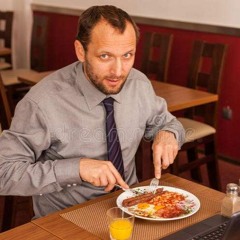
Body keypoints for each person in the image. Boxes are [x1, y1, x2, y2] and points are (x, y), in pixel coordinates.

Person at [0, 5, 185, 218]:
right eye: (105, 56)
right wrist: (77, 169)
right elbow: (4, 173)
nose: (118, 71)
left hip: (133, 210)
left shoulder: (139, 84)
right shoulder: (42, 102)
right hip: (67, 219)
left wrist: (168, 133)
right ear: (81, 51)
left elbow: (165, 122)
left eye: (127, 55)